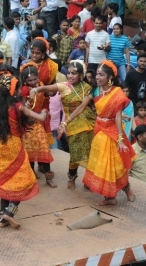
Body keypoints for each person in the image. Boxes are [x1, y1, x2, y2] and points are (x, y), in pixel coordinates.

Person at [0, 75, 47, 228]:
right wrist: (44, 111)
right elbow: (40, 118)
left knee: (5, 179)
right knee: (25, 180)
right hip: (13, 146)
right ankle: (9, 213)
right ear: (15, 90)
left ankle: (2, 219)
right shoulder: (18, 106)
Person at [29, 60, 96, 190]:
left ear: (81, 75)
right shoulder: (64, 86)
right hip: (72, 124)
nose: (70, 76)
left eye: (74, 73)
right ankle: (72, 177)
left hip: (90, 123)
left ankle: (89, 180)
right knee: (76, 153)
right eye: (69, 73)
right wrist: (37, 89)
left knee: (92, 153)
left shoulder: (87, 88)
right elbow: (48, 87)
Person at [82, 60, 136, 206]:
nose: (97, 77)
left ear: (110, 77)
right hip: (99, 131)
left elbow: (118, 117)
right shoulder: (95, 90)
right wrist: (65, 122)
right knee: (102, 165)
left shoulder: (117, 93)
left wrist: (120, 138)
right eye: (97, 74)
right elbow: (82, 107)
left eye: (101, 75)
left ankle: (127, 189)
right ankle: (109, 197)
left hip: (113, 132)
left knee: (117, 165)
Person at [19, 62, 56, 187]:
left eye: (35, 79)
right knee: (28, 150)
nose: (33, 82)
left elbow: (46, 101)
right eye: (30, 80)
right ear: (25, 80)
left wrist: (45, 111)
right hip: (27, 124)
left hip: (39, 122)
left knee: (43, 148)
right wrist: (27, 105)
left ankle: (49, 178)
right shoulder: (24, 89)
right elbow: (22, 107)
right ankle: (31, 173)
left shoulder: (42, 86)